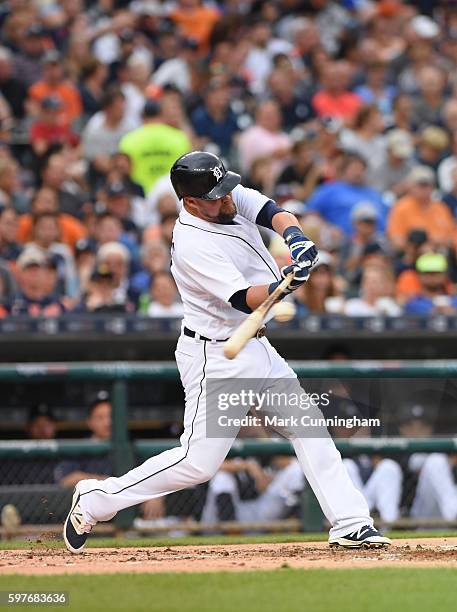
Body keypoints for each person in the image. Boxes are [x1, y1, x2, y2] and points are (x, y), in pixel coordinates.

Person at [63, 150, 390, 553]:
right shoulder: (192, 243)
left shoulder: (224, 197)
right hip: (217, 356)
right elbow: (243, 299)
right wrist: (284, 285)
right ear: (191, 202)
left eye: (225, 190)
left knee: (309, 428)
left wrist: (296, 239)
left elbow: (271, 210)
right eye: (216, 196)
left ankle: (350, 523)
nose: (228, 199)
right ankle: (97, 499)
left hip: (258, 347)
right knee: (198, 464)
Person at [305, 153, 389, 236]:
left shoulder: (374, 194)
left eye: (361, 169)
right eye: (354, 169)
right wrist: (327, 228)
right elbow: (311, 214)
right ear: (344, 170)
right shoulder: (330, 189)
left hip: (374, 242)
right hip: (338, 242)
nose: (358, 173)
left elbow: (386, 220)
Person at [118, 99, 191, 195]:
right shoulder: (179, 137)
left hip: (141, 194)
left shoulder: (128, 140)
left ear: (142, 116)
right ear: (161, 114)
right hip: (172, 194)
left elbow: (122, 169)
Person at [387, 166, 457, 251]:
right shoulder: (401, 207)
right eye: (421, 185)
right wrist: (418, 246)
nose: (425, 189)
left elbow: (452, 237)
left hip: (440, 252)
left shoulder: (441, 208)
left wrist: (433, 242)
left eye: (427, 185)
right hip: (412, 254)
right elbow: (396, 240)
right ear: (411, 186)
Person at [55, 391, 113, 488]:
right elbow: (65, 481)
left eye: (111, 416)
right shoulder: (80, 449)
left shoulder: (130, 448)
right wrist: (106, 481)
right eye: (100, 417)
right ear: (89, 422)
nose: (107, 423)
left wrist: (84, 478)